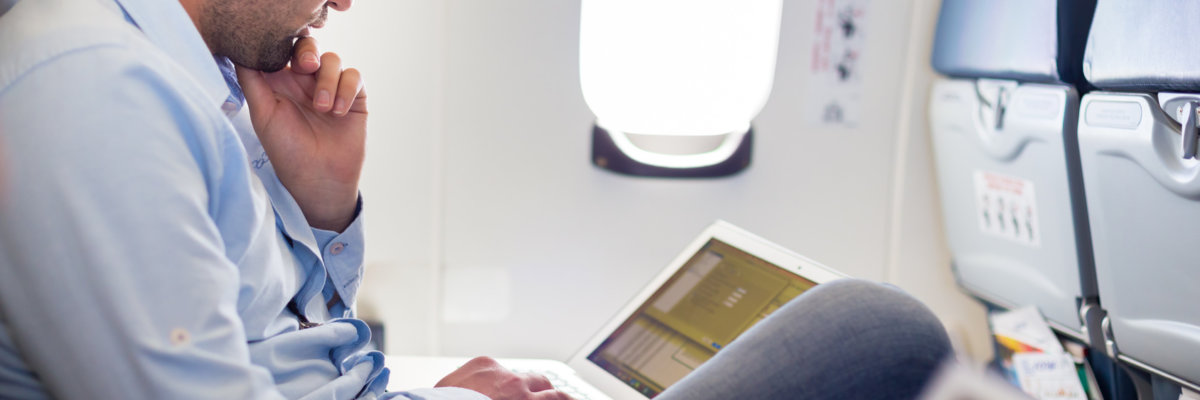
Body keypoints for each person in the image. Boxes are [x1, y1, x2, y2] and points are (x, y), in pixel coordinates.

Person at [0, 0, 952, 398]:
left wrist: (322, 211)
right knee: (880, 333)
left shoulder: (194, 81)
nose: (341, 3)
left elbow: (274, 356)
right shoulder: (92, 87)